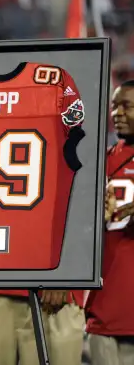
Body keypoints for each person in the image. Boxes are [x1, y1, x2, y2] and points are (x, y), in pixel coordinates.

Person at [86, 80, 134, 365]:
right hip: (104, 307)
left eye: (127, 105)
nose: (117, 112)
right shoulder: (99, 162)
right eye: (115, 105)